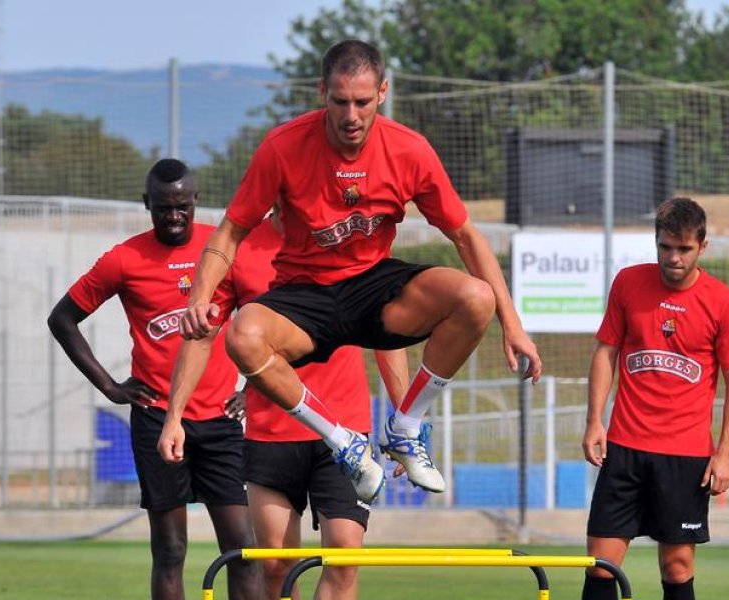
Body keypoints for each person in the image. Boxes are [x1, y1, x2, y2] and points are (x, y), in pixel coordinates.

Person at [174, 39, 542, 504]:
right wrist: (199, 296)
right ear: (321, 92)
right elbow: (229, 232)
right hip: (304, 295)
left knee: (476, 298)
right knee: (242, 336)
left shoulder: (410, 151)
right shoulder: (283, 147)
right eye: (340, 101)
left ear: (383, 92)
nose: (351, 115)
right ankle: (342, 442)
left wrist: (512, 326)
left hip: (372, 288)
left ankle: (407, 427)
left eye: (363, 102)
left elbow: (467, 237)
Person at [160, 214, 406, 600]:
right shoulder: (240, 249)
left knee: (344, 552)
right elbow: (202, 335)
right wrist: (174, 415)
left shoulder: (348, 243)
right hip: (271, 432)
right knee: (274, 565)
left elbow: (388, 333)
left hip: (345, 430)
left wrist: (401, 416)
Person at [47, 159, 267, 600]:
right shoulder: (123, 260)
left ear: (196, 203)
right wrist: (109, 386)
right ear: (147, 205)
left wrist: (251, 387)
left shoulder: (223, 249)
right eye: (164, 208)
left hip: (219, 422)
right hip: (156, 419)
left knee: (242, 547)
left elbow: (269, 318)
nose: (174, 216)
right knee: (169, 549)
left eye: (183, 206)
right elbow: (62, 318)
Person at [579, 197, 729, 600]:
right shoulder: (629, 284)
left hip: (686, 457)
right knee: (600, 567)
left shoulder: (723, 302)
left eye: (683, 249)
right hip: (626, 450)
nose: (673, 258)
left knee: (677, 569)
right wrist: (595, 420)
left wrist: (725, 452)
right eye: (665, 247)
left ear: (702, 247)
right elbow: (605, 351)